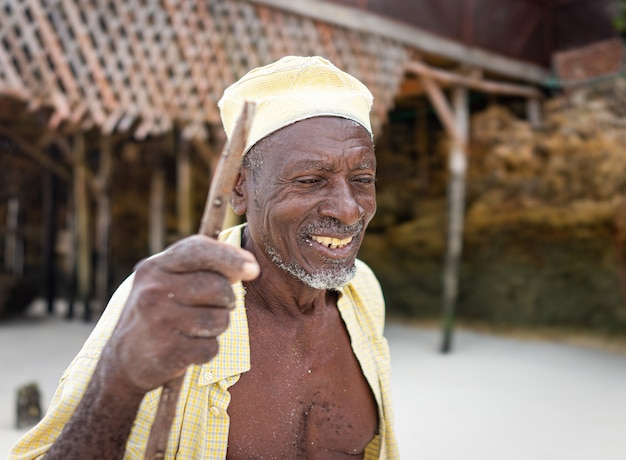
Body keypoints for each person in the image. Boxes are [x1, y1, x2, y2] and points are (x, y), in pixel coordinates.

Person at [10, 56, 398, 459]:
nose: (349, 209)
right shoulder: (174, 306)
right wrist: (118, 382)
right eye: (310, 181)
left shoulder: (362, 293)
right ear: (238, 188)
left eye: (362, 180)